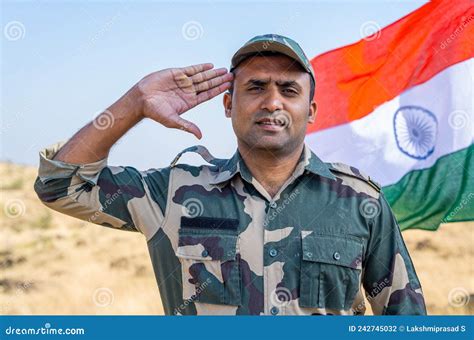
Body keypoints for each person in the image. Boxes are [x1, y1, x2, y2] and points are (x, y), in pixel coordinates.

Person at [34, 34, 427, 315]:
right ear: (227, 103)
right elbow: (59, 185)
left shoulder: (361, 202)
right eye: (255, 87)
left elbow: (406, 323)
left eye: (289, 90)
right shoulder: (173, 193)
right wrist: (135, 102)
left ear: (310, 111)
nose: (272, 101)